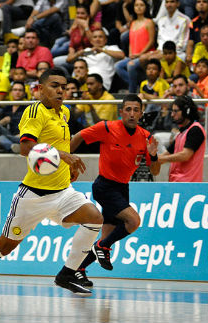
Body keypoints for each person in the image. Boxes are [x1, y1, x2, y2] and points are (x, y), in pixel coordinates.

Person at [0, 68, 104, 312]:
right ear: (40, 89)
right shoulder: (34, 111)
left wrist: (68, 164)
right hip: (33, 196)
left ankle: (67, 273)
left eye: (64, 86)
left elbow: (57, 146)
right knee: (4, 246)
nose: (61, 90)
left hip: (63, 191)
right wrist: (64, 156)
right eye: (54, 85)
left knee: (94, 218)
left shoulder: (64, 112)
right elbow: (26, 147)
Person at [69, 94, 160, 286]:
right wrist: (67, 161)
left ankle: (79, 269)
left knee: (107, 237)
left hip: (123, 188)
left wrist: (154, 156)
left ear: (141, 113)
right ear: (121, 112)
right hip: (104, 186)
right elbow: (78, 136)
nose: (132, 114)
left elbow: (155, 171)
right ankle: (103, 247)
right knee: (133, 221)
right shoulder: (107, 127)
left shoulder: (146, 137)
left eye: (136, 110)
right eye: (128, 109)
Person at [158, 95, 207, 182]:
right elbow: (165, 155)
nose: (172, 115)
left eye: (176, 111)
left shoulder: (196, 129)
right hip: (176, 182)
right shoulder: (180, 134)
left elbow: (185, 155)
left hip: (189, 184)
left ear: (186, 111)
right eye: (172, 111)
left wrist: (162, 159)